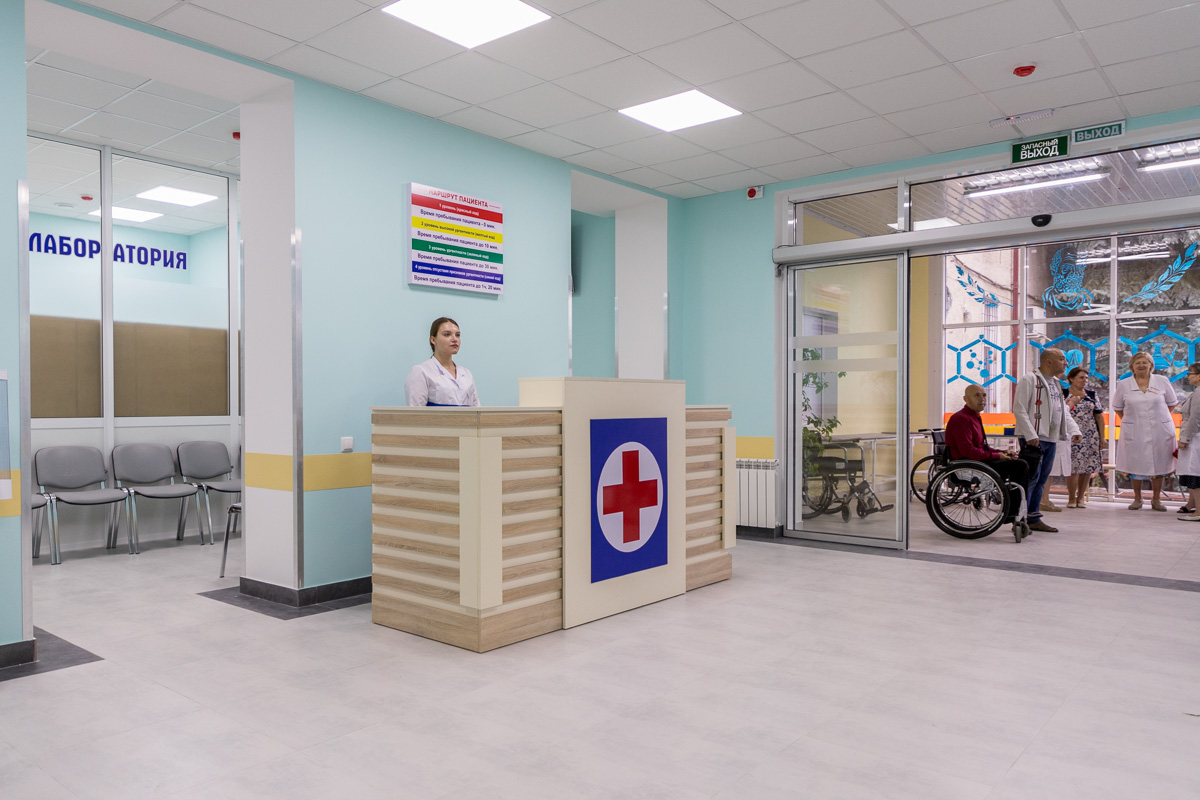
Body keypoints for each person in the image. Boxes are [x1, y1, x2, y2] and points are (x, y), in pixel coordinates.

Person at [1013, 348, 1082, 532]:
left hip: (1051, 438)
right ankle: (1020, 519)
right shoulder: (1029, 380)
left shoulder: (1055, 383)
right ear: (1049, 361)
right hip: (1034, 439)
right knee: (1030, 479)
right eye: (1062, 359)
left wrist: (1074, 430)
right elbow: (1019, 409)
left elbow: (1062, 411)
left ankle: (1033, 517)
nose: (1066, 363)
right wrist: (1030, 434)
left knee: (1041, 480)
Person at [945, 384, 1031, 521]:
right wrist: (997, 456)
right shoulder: (961, 419)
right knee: (1020, 466)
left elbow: (983, 447)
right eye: (977, 395)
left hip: (976, 461)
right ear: (966, 399)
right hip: (967, 465)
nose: (982, 399)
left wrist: (1003, 452)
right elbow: (968, 451)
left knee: (1019, 461)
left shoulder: (975, 417)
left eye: (984, 395)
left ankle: (1015, 509)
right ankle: (1012, 511)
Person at [1113, 351, 1178, 511]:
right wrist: (1133, 420)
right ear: (1132, 366)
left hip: (1160, 431)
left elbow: (1171, 403)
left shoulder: (1162, 381)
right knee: (1135, 463)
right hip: (1134, 431)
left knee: (1159, 464)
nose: (1141, 365)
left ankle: (1156, 500)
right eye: (1138, 363)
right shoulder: (1124, 384)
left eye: (1145, 362)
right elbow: (1118, 407)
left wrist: (1158, 417)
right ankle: (1137, 499)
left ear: (1151, 365)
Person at [404, 316, 480, 407]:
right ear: (433, 340)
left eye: (457, 335)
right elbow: (415, 412)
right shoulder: (421, 372)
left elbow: (477, 411)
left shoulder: (467, 374)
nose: (455, 339)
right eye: (447, 334)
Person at [1063, 366, 1105, 508]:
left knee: (1087, 467)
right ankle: (1071, 498)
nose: (1084, 380)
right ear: (1071, 379)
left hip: (1090, 435)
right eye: (1081, 377)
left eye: (1086, 378)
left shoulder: (1091, 395)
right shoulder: (1064, 394)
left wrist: (1102, 438)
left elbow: (1099, 416)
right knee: (1072, 467)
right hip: (1071, 434)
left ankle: (1081, 497)